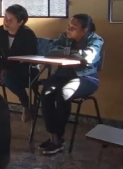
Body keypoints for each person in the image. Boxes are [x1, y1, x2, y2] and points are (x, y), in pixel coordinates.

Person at [40, 13, 103, 156]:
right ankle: (53, 136)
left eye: (73, 27)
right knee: (46, 93)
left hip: (86, 78)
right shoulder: (64, 37)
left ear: (85, 30)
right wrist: (70, 52)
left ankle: (57, 138)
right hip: (62, 76)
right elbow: (48, 51)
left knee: (64, 94)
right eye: (69, 25)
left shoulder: (95, 39)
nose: (69, 29)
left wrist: (66, 53)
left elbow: (89, 56)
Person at [0, 4, 38, 122]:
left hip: (26, 69)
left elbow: (28, 59)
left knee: (9, 78)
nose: (6, 22)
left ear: (20, 22)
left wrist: (6, 71)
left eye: (11, 20)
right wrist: (2, 69)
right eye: (5, 18)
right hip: (4, 67)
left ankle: (26, 104)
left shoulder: (28, 35)